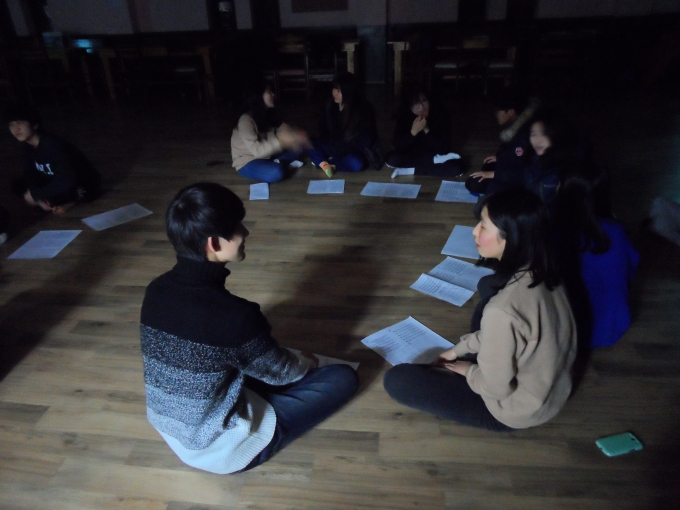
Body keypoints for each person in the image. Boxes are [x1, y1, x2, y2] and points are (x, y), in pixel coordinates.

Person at [140, 182, 358, 474]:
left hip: (172, 428)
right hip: (222, 446)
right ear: (213, 243)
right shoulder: (236, 316)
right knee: (342, 377)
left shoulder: (156, 289)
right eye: (237, 227)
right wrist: (308, 362)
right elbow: (284, 372)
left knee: (243, 355)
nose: (245, 233)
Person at [384, 189, 577, 431]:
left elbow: (496, 389)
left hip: (514, 410)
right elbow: (510, 331)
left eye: (483, 226)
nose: (474, 231)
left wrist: (468, 370)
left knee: (398, 380)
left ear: (510, 237)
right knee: (488, 286)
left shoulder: (502, 311)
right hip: (552, 389)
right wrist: (457, 350)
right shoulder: (545, 269)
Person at [555, 168, 639, 349]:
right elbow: (631, 267)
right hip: (615, 325)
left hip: (575, 333)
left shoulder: (560, 233)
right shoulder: (617, 230)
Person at [6, 103, 100, 215]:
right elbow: (30, 174)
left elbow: (68, 179)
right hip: (55, 180)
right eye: (11, 124)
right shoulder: (29, 147)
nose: (15, 129)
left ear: (34, 124)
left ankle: (71, 202)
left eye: (20, 123)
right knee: (18, 185)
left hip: (80, 183)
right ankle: (55, 202)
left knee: (77, 190)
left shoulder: (52, 145)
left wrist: (37, 194)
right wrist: (38, 197)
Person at [231, 81, 310, 183]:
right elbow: (257, 151)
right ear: (258, 95)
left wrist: (296, 135)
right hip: (248, 161)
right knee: (276, 172)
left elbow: (284, 129)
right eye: (269, 92)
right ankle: (279, 165)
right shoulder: (245, 120)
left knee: (299, 149)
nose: (273, 95)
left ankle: (278, 163)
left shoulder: (268, 112)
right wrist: (282, 141)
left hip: (267, 155)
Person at [465, 89, 537, 196]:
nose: (496, 114)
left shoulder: (524, 135)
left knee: (473, 183)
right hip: (512, 169)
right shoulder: (517, 127)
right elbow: (512, 153)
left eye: (498, 111)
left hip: (522, 180)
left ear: (511, 112)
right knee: (488, 165)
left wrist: (493, 174)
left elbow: (523, 173)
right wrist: (500, 158)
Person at [308, 72, 380, 177]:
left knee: (356, 163)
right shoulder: (330, 106)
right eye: (334, 89)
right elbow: (323, 130)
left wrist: (343, 149)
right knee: (310, 143)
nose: (334, 93)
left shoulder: (363, 108)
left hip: (353, 150)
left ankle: (324, 163)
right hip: (335, 147)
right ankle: (327, 163)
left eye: (338, 91)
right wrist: (331, 144)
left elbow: (367, 138)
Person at [386, 86, 463, 178]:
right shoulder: (404, 116)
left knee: (457, 168)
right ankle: (433, 161)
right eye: (416, 104)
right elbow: (398, 145)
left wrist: (426, 129)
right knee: (392, 159)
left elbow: (444, 148)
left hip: (434, 152)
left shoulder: (441, 113)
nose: (422, 106)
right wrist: (413, 132)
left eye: (424, 101)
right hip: (413, 155)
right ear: (410, 106)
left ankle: (409, 170)